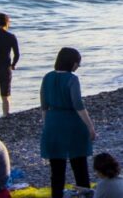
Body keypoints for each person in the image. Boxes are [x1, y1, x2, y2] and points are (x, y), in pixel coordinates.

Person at [40, 48, 96, 198]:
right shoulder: (72, 79)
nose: (78, 66)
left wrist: (47, 126)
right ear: (72, 63)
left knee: (57, 170)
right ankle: (85, 194)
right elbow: (78, 104)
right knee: (79, 166)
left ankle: (56, 195)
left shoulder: (47, 77)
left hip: (53, 122)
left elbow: (44, 105)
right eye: (78, 63)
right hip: (72, 123)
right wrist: (90, 126)